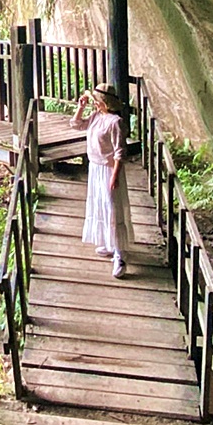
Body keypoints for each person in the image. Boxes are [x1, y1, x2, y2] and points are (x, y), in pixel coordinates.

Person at [70, 82, 134, 278]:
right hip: (95, 167)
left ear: (105, 102)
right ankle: (109, 242)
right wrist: (80, 107)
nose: (95, 104)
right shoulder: (97, 116)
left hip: (108, 169)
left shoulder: (115, 122)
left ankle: (119, 255)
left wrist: (114, 177)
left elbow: (120, 153)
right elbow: (76, 125)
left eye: (97, 101)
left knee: (112, 207)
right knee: (100, 205)